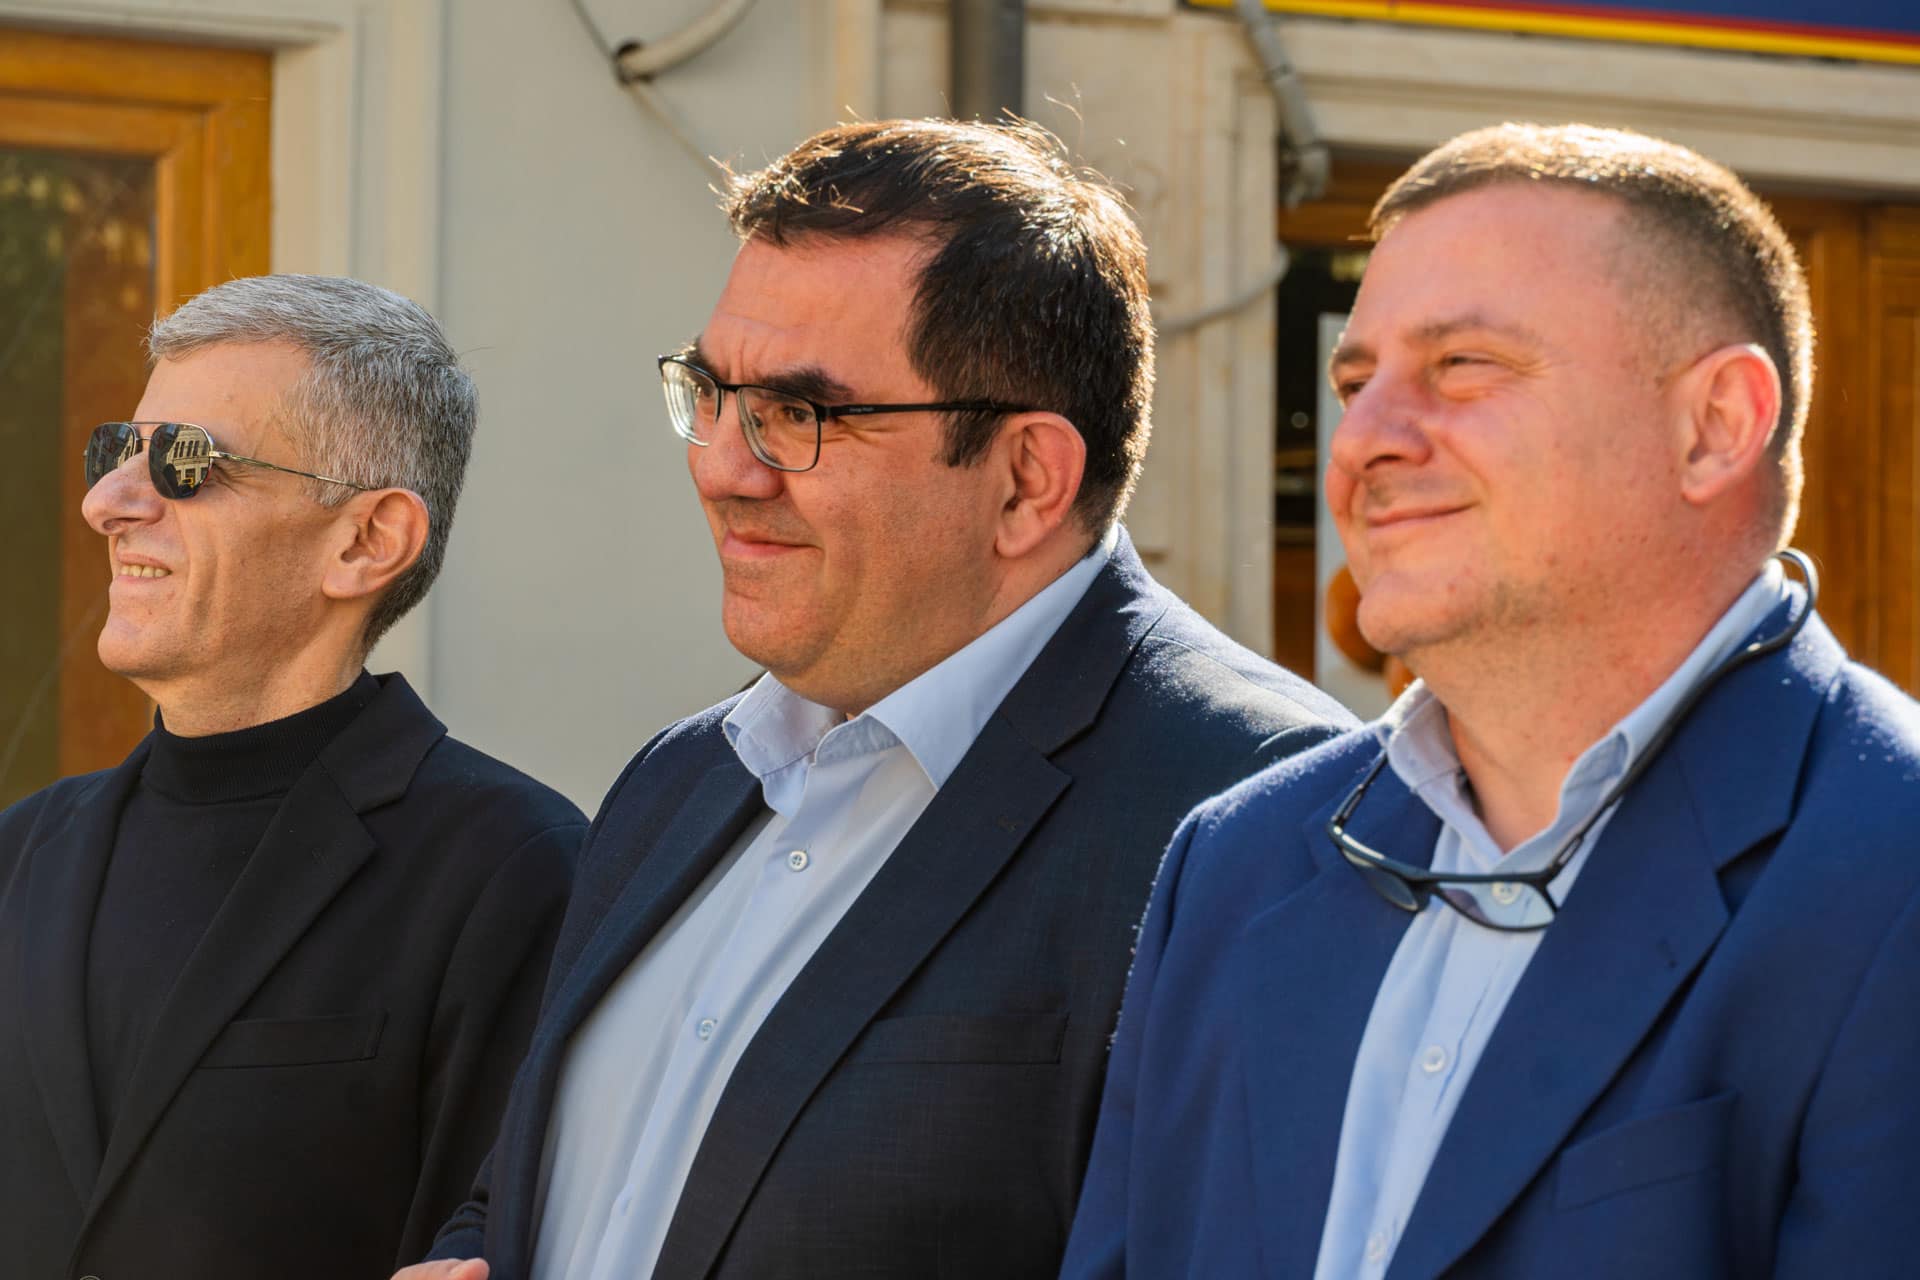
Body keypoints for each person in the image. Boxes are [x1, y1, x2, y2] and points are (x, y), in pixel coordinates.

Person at [405, 117, 1353, 1280]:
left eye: (799, 413)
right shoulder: (681, 775)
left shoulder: (1266, 806)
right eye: (711, 390)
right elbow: (552, 1184)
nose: (722, 466)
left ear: (1027, 479)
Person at [1061, 122, 1920, 1280]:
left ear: (1715, 424)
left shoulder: (1888, 868)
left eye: (1462, 365)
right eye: (1355, 383)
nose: (1363, 440)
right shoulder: (1235, 863)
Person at [0, 275, 584, 1280]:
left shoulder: (513, 870)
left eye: (183, 462)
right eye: (116, 451)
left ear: (366, 540)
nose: (106, 503)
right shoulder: (21, 853)